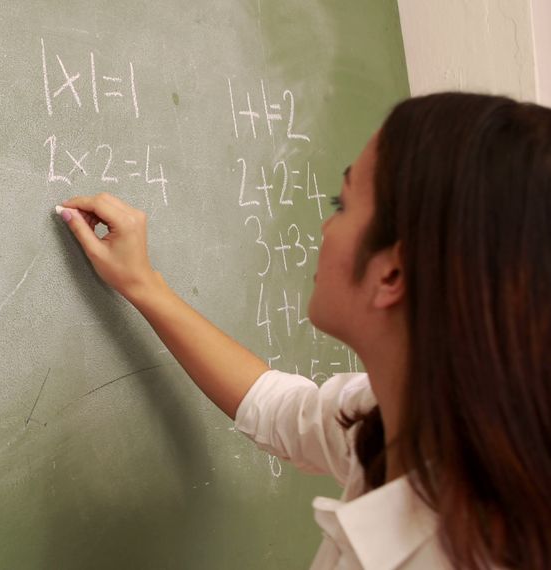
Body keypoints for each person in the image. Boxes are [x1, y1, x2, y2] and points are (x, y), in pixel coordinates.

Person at [57, 93, 551, 569]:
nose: (322, 227)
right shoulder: (401, 420)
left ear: (392, 275)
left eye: (342, 204)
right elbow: (273, 407)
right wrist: (145, 286)